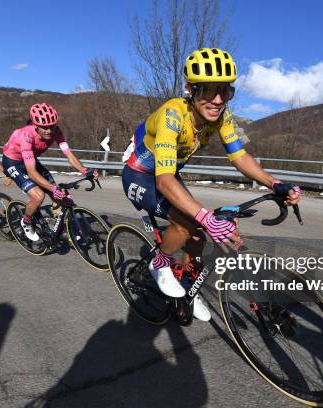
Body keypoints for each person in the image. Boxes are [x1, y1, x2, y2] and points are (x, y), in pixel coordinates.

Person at [122, 48, 301, 322]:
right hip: (140, 175)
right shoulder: (173, 115)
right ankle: (160, 263)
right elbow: (164, 180)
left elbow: (239, 156)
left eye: (225, 91)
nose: (217, 100)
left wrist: (274, 183)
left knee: (198, 233)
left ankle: (188, 288)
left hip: (168, 173)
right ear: (190, 90)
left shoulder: (221, 116)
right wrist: (205, 216)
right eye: (208, 91)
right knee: (186, 223)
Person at [2, 103, 98, 242]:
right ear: (36, 126)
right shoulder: (26, 136)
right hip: (13, 162)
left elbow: (68, 154)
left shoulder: (56, 132)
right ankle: (26, 221)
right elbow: (31, 172)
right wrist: (52, 188)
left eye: (52, 126)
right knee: (39, 196)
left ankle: (60, 226)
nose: (49, 131)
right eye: (44, 127)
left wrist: (84, 170)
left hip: (30, 159)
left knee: (59, 196)